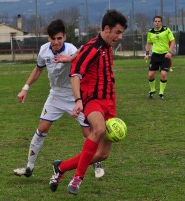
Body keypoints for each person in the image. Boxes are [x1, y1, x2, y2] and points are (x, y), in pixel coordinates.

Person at [13, 19, 105, 179]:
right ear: (48, 38)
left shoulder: (71, 49)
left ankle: (96, 161)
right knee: (41, 129)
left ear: (65, 37)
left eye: (59, 38)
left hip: (74, 97)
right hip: (55, 96)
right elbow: (37, 70)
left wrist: (74, 57)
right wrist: (25, 88)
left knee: (88, 132)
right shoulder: (43, 50)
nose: (56, 42)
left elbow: (84, 61)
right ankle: (29, 168)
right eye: (53, 38)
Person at [49, 9, 127, 195]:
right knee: (98, 129)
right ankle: (77, 178)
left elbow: (81, 51)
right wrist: (78, 101)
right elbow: (75, 74)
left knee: (102, 154)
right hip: (93, 100)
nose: (120, 37)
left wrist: (71, 57)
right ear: (107, 29)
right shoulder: (94, 47)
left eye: (121, 33)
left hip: (110, 101)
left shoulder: (103, 45)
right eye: (117, 32)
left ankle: (60, 167)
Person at [144, 16, 175, 100]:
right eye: (155, 21)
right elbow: (148, 43)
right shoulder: (150, 32)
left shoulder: (166, 30)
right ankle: (152, 90)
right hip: (155, 55)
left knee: (163, 74)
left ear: (161, 22)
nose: (157, 23)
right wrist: (147, 53)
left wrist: (170, 52)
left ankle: (161, 93)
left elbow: (172, 41)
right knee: (150, 75)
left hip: (165, 55)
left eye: (159, 21)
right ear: (153, 22)